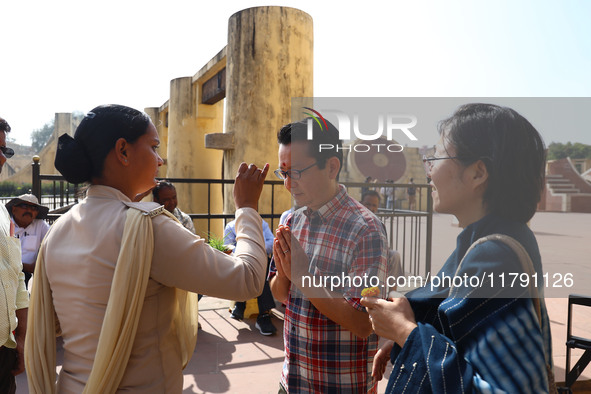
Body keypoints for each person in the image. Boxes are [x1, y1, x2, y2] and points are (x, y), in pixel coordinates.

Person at [25, 104, 270, 394]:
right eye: (153, 147)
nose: (160, 159)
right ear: (123, 151)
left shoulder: (58, 231)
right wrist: (246, 209)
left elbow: (55, 322)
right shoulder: (147, 228)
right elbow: (249, 279)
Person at [361, 103, 554, 392]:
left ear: (477, 173)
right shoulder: (498, 238)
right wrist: (407, 331)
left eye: (437, 156)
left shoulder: (494, 255)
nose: (429, 170)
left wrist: (406, 332)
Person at [270, 118, 388, 392]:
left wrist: (303, 276)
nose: (288, 184)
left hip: (339, 385)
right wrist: (285, 274)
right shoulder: (290, 219)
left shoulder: (366, 229)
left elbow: (363, 323)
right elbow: (278, 292)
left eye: (297, 172)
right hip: (292, 381)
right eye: (283, 173)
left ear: (332, 166)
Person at [0, 116, 27, 394]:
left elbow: (16, 277)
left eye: (5, 151)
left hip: (3, 350)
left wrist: (20, 339)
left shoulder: (2, 214)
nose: (2, 159)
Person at [225, 218, 277, 335]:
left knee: (263, 267)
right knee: (253, 267)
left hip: (260, 258)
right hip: (239, 260)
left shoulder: (261, 224)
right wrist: (246, 251)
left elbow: (271, 241)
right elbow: (227, 246)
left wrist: (257, 249)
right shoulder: (231, 226)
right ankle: (263, 315)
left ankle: (242, 305)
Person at [360, 190, 403, 295]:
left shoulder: (378, 223)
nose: (371, 207)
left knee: (395, 256)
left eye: (374, 205)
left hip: (378, 255)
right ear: (361, 203)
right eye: (368, 204)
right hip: (361, 257)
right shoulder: (356, 220)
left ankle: (392, 294)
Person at [6, 194, 50, 288]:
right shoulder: (5, 224)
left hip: (26, 274)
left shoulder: (41, 226)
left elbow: (53, 244)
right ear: (14, 209)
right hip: (5, 272)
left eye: (34, 208)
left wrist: (39, 264)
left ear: (37, 213)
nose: (29, 210)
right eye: (24, 206)